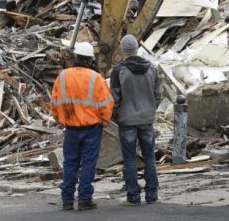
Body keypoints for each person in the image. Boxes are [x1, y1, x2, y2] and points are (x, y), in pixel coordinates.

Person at [50, 42, 114, 211]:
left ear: (76, 57)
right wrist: (105, 120)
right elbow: (106, 103)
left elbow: (55, 102)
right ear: (91, 59)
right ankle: (85, 199)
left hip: (70, 129)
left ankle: (67, 200)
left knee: (70, 164)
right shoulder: (96, 78)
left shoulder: (63, 76)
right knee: (88, 164)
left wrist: (59, 118)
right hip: (92, 128)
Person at [110, 34, 161, 206]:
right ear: (137, 48)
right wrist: (151, 109)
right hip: (147, 119)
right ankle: (152, 196)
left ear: (123, 50)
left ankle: (133, 197)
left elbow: (114, 98)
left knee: (130, 159)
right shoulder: (152, 68)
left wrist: (117, 115)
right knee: (149, 157)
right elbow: (157, 94)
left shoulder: (118, 71)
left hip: (127, 120)